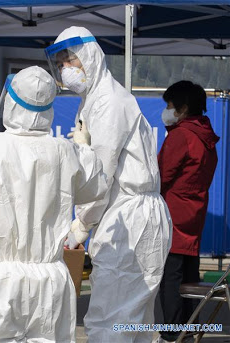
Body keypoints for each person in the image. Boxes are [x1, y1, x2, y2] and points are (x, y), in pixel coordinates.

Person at [0, 66, 108, 342]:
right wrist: (85, 148)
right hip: (50, 280)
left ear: (11, 102)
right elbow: (96, 187)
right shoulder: (65, 152)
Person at [45, 26, 172, 342]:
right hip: (128, 214)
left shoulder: (108, 102)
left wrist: (79, 228)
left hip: (130, 218)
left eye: (70, 61)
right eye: (60, 64)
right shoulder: (94, 100)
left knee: (110, 323)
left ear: (89, 56)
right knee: (133, 324)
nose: (65, 70)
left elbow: (100, 178)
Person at [154, 81, 219, 343]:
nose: (167, 111)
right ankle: (189, 328)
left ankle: (171, 333)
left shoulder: (181, 135)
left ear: (183, 108)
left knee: (170, 279)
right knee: (189, 280)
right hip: (194, 213)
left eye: (170, 106)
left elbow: (161, 175)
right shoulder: (206, 136)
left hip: (173, 215)